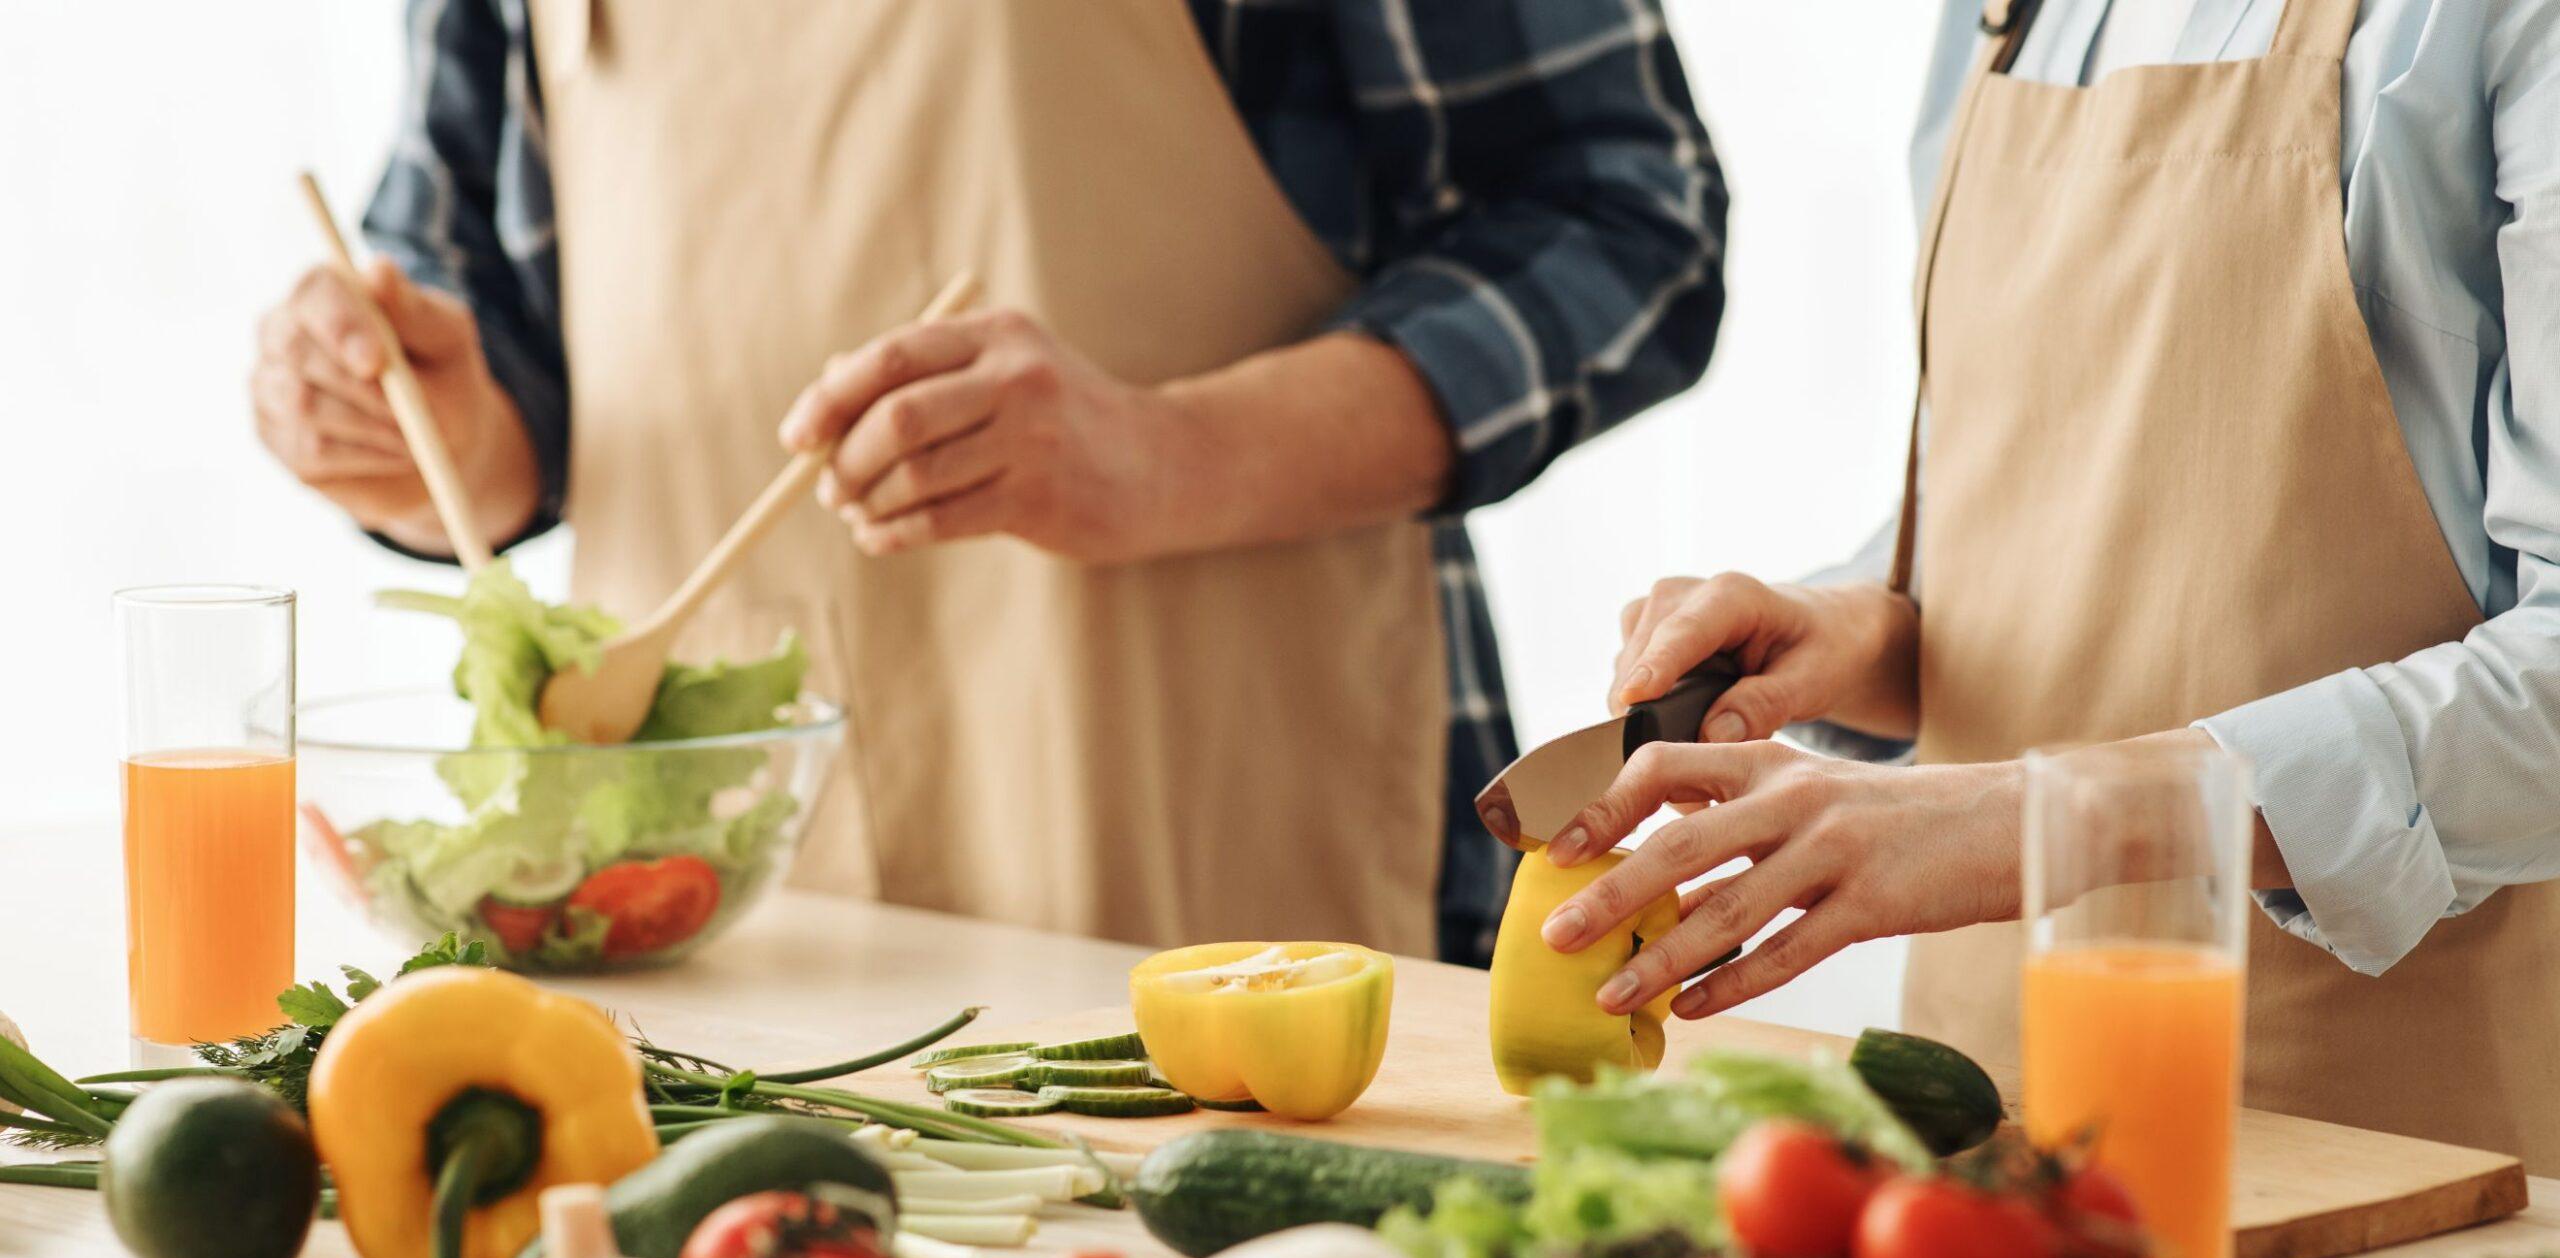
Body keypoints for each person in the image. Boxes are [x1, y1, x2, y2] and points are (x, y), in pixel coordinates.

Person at [249, 0, 1725, 968]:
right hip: (707, 926)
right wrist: (423, 431)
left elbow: (1627, 215)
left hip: (1219, 849)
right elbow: (493, 367)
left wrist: (1167, 454)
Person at [1536, 0, 2560, 1168]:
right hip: (1975, 1118)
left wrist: (2019, 824)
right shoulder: (2008, 17)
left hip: (2368, 1128)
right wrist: (1866, 627)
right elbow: (2093, 505)